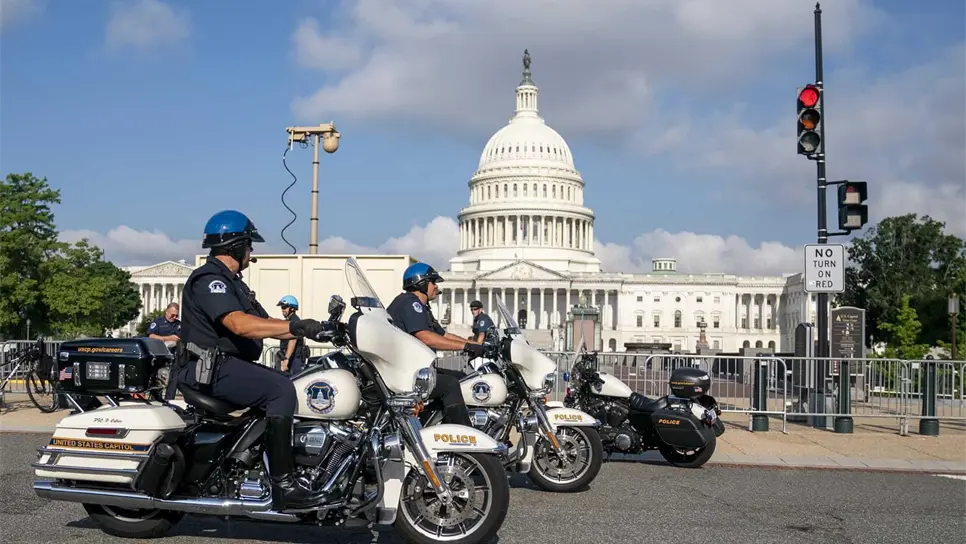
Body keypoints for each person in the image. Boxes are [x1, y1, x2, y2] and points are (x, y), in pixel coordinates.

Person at [175, 209, 328, 510]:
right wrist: (294, 325)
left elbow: (265, 323)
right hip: (206, 369)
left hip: (225, 367)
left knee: (290, 381)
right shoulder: (209, 280)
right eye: (248, 245)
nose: (251, 251)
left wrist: (321, 329)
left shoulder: (235, 284)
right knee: (280, 390)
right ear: (235, 246)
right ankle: (283, 486)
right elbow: (239, 325)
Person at [385, 262, 484, 426]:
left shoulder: (422, 307)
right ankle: (464, 433)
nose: (436, 287)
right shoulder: (410, 303)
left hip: (417, 368)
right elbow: (426, 337)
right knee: (449, 385)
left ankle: (434, 423)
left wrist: (474, 344)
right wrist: (465, 347)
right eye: (433, 282)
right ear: (421, 283)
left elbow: (443, 335)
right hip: (406, 371)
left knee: (461, 376)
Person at [148, 303, 182, 400]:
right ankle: (155, 398)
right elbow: (151, 336)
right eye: (172, 315)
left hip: (174, 356)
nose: (174, 317)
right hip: (160, 356)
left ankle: (169, 400)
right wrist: (168, 338)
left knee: (173, 379)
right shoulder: (158, 322)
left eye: (176, 315)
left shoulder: (178, 324)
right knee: (158, 379)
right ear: (166, 312)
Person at [276, 295, 309, 375]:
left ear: (292, 308)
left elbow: (293, 340)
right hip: (291, 358)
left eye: (284, 307)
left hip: (293, 359)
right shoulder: (289, 321)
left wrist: (286, 359)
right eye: (281, 307)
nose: (282, 309)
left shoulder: (294, 321)